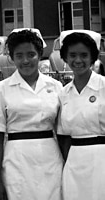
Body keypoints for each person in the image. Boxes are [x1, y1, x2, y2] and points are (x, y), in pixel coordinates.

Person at [0, 28, 63, 200]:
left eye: (31, 54)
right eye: (19, 56)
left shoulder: (56, 87)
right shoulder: (1, 89)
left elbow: (62, 131)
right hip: (16, 159)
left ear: (40, 54)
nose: (25, 60)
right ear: (12, 58)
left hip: (50, 158)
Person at [57, 31, 105, 200]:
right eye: (73, 55)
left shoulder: (103, 86)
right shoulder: (64, 93)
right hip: (74, 161)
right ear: (65, 57)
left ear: (93, 57)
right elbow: (64, 136)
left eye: (84, 55)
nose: (78, 60)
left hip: (101, 159)